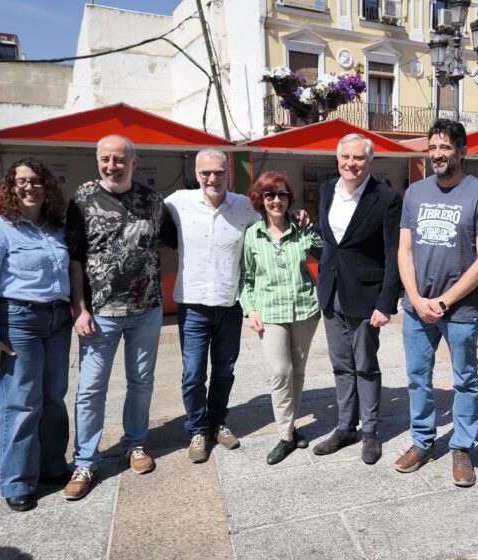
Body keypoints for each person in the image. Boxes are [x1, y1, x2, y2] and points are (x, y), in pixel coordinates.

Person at [64, 134, 170, 500]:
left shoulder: (153, 201)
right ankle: (86, 462)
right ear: (97, 160)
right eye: (105, 159)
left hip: (146, 311)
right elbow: (75, 258)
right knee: (91, 389)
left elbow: (174, 236)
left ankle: (135, 444)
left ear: (134, 162)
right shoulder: (81, 200)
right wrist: (79, 309)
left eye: (119, 159)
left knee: (141, 381)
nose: (112, 166)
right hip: (100, 315)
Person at [0, 158, 71, 512]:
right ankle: (17, 480)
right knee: (21, 400)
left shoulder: (57, 228)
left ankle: (52, 465)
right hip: (18, 322)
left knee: (54, 395)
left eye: (36, 180)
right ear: (10, 188)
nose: (29, 187)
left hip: (57, 320)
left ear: (47, 186)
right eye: (21, 182)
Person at [396, 119, 478, 486]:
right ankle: (423, 441)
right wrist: (415, 297)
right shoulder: (414, 193)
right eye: (432, 148)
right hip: (417, 308)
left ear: (462, 151)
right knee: (417, 378)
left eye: (444, 147)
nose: (437, 154)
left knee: (465, 380)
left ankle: (462, 446)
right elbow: (404, 250)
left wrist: (444, 300)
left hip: (461, 310)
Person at [164, 149, 261, 463]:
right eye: (205, 173)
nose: (212, 178)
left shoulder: (244, 206)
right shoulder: (177, 202)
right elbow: (139, 211)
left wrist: (298, 219)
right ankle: (196, 430)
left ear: (227, 173)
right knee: (193, 374)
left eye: (218, 172)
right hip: (192, 306)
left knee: (224, 371)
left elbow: (271, 227)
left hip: (229, 304)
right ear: (196, 174)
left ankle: (217, 422)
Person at [311, 134, 402, 465]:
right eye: (345, 157)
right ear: (338, 159)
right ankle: (345, 426)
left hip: (366, 295)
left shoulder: (387, 198)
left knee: (365, 364)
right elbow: (329, 243)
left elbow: (394, 254)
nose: (351, 163)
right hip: (331, 292)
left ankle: (371, 432)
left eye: (359, 158)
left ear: (370, 162)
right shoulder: (326, 191)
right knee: (341, 364)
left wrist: (386, 302)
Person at [241, 172, 323, 464]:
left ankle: (291, 425)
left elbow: (325, 252)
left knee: (298, 371)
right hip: (271, 311)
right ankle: (285, 435)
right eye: (270, 195)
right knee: (280, 372)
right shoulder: (253, 234)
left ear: (290, 199)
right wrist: (250, 309)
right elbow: (246, 278)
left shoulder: (302, 229)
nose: (277, 200)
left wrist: (310, 223)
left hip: (304, 309)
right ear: (260, 200)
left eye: (283, 195)